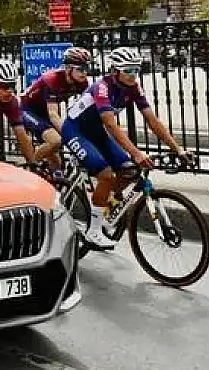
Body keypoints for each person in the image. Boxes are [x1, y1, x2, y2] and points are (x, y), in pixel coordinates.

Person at [61, 46, 193, 249]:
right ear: (115, 71)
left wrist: (178, 149)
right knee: (105, 174)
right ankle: (93, 232)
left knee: (129, 171)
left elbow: (152, 120)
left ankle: (103, 206)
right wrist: (137, 153)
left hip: (96, 132)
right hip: (75, 129)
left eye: (136, 70)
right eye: (128, 71)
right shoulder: (102, 88)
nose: (133, 75)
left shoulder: (134, 88)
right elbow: (111, 125)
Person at [19, 47, 91, 171]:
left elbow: (87, 110)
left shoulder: (82, 83)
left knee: (56, 166)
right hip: (27, 110)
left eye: (86, 69)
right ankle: (29, 168)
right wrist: (71, 134)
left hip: (44, 112)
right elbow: (53, 114)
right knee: (55, 141)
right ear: (68, 68)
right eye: (80, 69)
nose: (84, 73)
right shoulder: (53, 79)